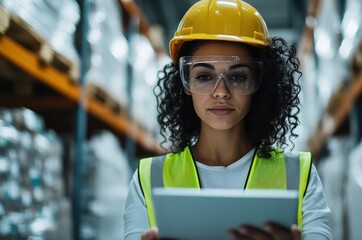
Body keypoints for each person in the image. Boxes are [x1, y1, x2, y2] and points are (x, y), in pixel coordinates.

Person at [124, 0, 332, 239]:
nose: (221, 91)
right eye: (204, 76)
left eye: (238, 77)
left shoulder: (299, 174)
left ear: (259, 82)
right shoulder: (148, 177)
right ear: (185, 84)